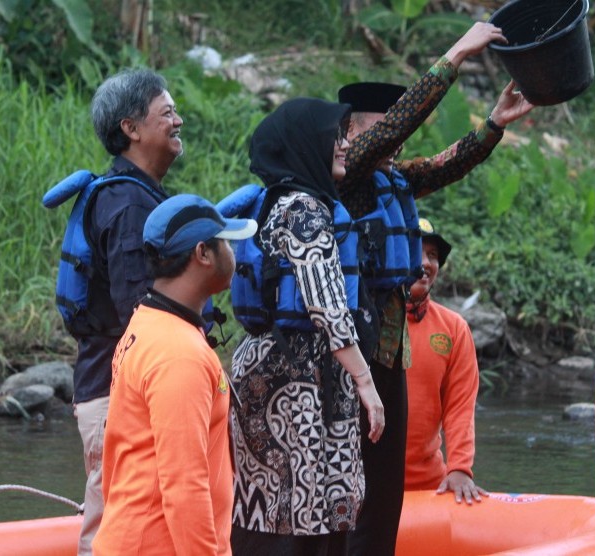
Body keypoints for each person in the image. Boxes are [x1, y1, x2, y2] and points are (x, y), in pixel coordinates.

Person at [336, 21, 535, 555]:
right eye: (383, 129)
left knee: (384, 493)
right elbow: (397, 125)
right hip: (345, 351)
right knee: (346, 483)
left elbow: (448, 164)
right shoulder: (344, 175)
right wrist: (456, 54)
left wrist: (492, 125)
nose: (394, 140)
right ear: (352, 134)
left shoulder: (393, 177)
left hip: (390, 350)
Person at [228, 97, 384, 556]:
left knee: (276, 501)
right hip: (295, 373)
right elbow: (327, 307)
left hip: (286, 364)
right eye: (332, 137)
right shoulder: (304, 210)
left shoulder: (276, 201)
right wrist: (366, 383)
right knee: (296, 504)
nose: (342, 146)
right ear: (303, 145)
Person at [92, 193, 257, 555]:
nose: (235, 253)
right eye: (226, 243)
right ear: (203, 254)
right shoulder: (178, 354)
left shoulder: (149, 322)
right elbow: (184, 486)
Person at [71, 68, 182, 555]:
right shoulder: (128, 203)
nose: (178, 120)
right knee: (113, 525)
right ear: (130, 129)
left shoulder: (133, 194)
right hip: (122, 392)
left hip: (120, 386)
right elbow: (142, 310)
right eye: (167, 111)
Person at [404, 218, 486, 504]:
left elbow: (460, 406)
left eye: (433, 256)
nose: (425, 263)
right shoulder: (365, 320)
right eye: (415, 251)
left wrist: (460, 467)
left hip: (430, 486)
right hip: (365, 482)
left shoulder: (454, 327)